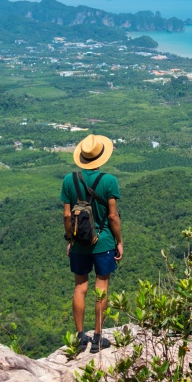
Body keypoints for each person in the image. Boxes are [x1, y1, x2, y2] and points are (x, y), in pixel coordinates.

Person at [61, 134, 123, 353]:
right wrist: (119, 241)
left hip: (79, 243)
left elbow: (67, 216)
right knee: (101, 287)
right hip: (104, 242)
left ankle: (80, 337)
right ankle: (97, 338)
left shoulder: (70, 179)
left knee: (80, 287)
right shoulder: (109, 181)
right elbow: (113, 217)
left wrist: (70, 239)